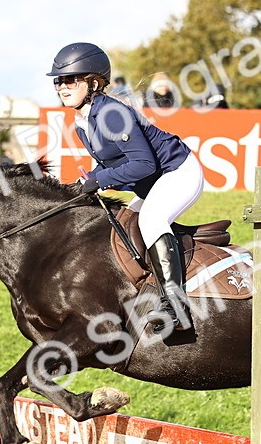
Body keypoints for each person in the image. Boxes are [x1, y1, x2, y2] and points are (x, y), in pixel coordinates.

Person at [50, 42, 205, 334]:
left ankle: (176, 308)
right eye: (58, 81)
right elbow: (113, 163)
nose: (62, 87)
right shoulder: (82, 122)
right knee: (126, 223)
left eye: (70, 79)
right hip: (155, 183)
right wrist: (88, 180)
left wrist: (100, 180)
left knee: (151, 220)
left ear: (94, 83)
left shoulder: (111, 113)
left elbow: (143, 164)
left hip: (178, 172)